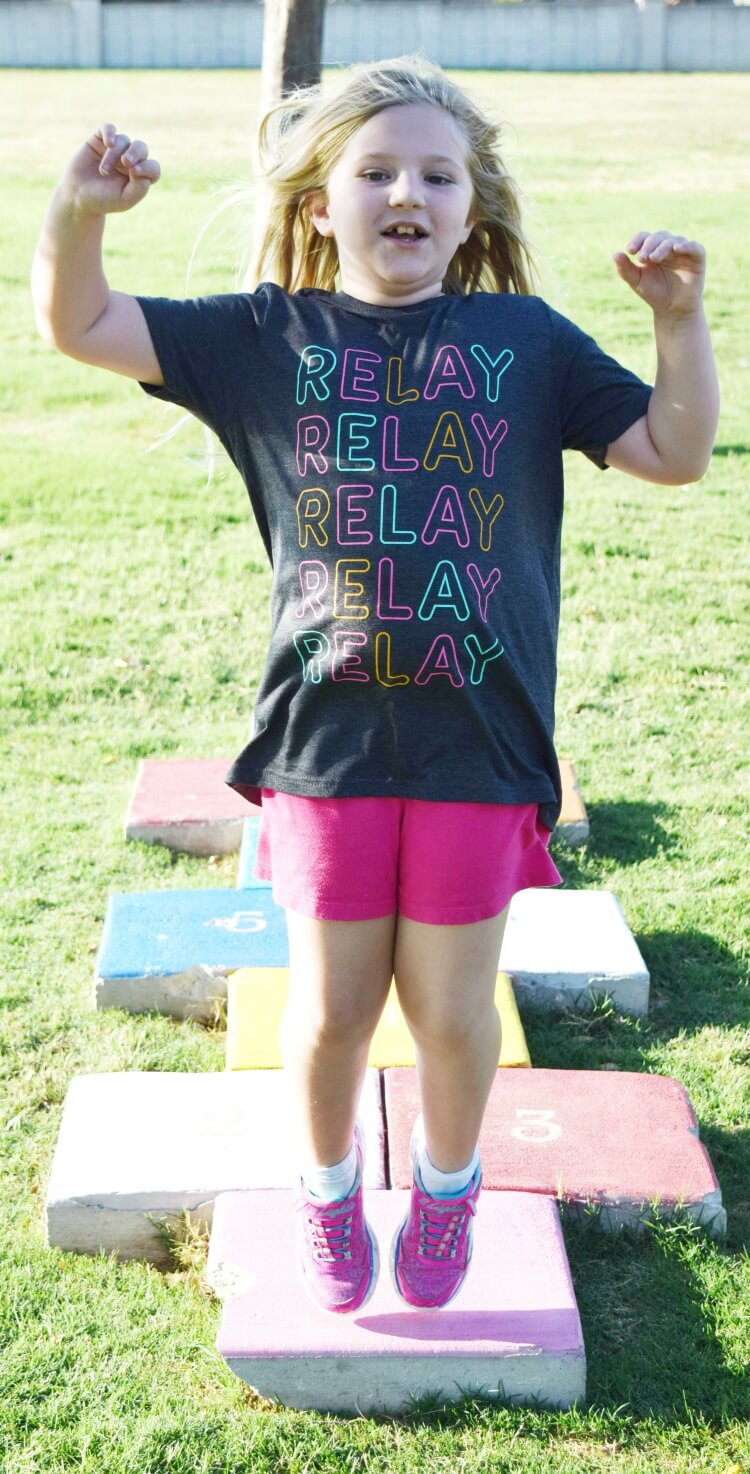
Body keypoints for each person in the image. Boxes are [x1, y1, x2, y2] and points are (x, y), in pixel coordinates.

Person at [32, 56, 718, 1318]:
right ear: (320, 203)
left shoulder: (526, 342)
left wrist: (678, 319)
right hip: (322, 745)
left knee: (453, 1017)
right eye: (378, 170)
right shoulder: (262, 336)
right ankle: (330, 1184)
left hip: (479, 741)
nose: (409, 190)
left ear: (474, 208)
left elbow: (674, 453)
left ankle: (450, 1189)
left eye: (438, 174)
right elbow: (80, 326)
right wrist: (77, 214)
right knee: (337, 1009)